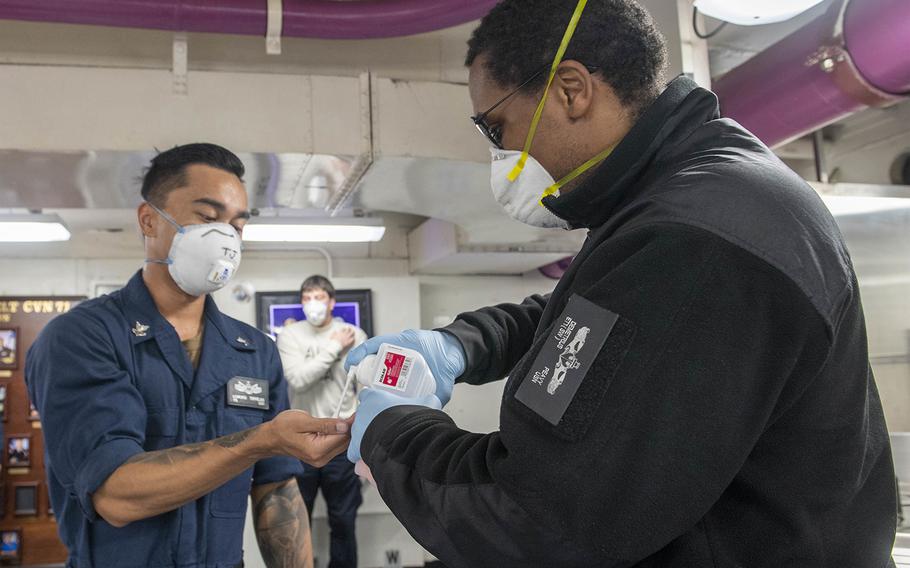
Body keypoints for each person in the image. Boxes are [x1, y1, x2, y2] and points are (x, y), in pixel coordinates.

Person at [344, 1, 898, 567]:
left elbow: (536, 518)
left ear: (571, 89)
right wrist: (461, 345)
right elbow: (596, 317)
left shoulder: (697, 236)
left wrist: (393, 429)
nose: (503, 152)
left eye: (496, 126)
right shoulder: (692, 193)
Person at [26, 143, 352, 568]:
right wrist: (257, 441)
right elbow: (116, 494)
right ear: (149, 220)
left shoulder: (254, 352)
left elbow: (275, 490)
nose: (226, 237)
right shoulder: (83, 337)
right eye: (208, 217)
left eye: (237, 224)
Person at [277, 275, 367, 568]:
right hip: (301, 441)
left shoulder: (354, 334)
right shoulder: (290, 336)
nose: (312, 304)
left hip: (342, 441)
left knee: (343, 521)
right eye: (306, 298)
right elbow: (298, 380)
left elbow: (366, 388)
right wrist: (332, 349)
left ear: (332, 301)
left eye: (318, 297)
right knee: (295, 522)